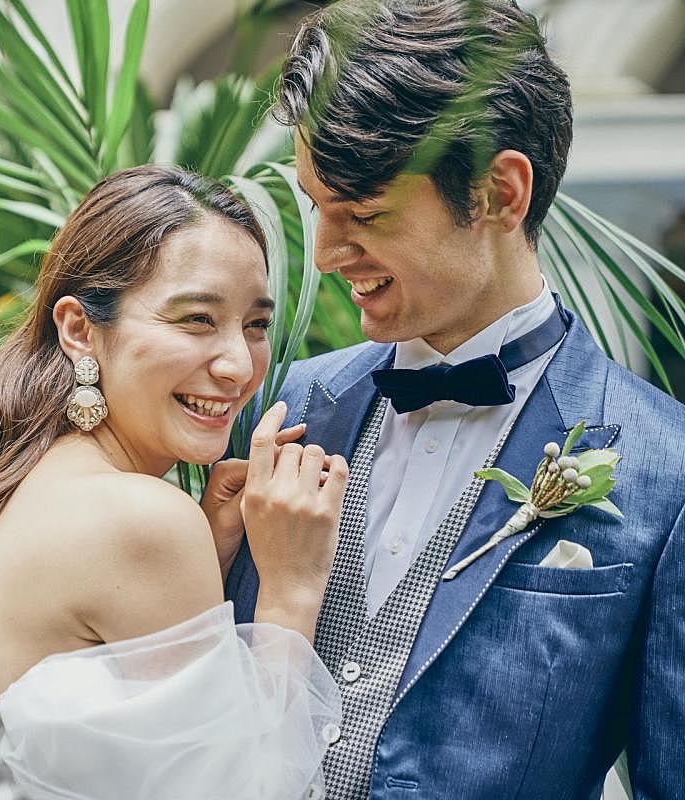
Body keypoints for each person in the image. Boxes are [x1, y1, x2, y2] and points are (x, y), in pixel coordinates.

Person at [221, 2, 685, 798]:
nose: (325, 254)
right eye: (318, 208)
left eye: (364, 214)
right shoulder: (281, 405)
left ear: (501, 193)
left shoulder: (666, 473)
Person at [0, 165, 352, 799]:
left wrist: (208, 550)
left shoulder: (19, 485)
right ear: (79, 329)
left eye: (255, 325)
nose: (238, 364)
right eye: (196, 319)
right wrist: (290, 591)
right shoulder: (141, 518)